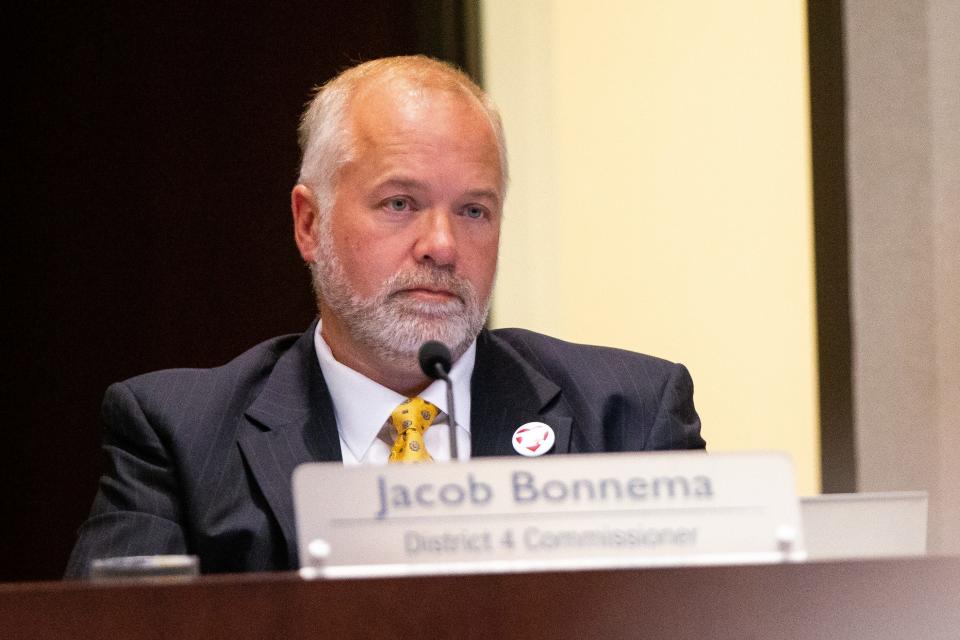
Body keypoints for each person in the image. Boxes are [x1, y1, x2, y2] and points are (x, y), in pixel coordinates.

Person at [65, 55, 705, 577]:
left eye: (474, 211)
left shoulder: (629, 416)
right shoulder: (178, 436)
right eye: (401, 203)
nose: (443, 245)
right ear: (309, 224)